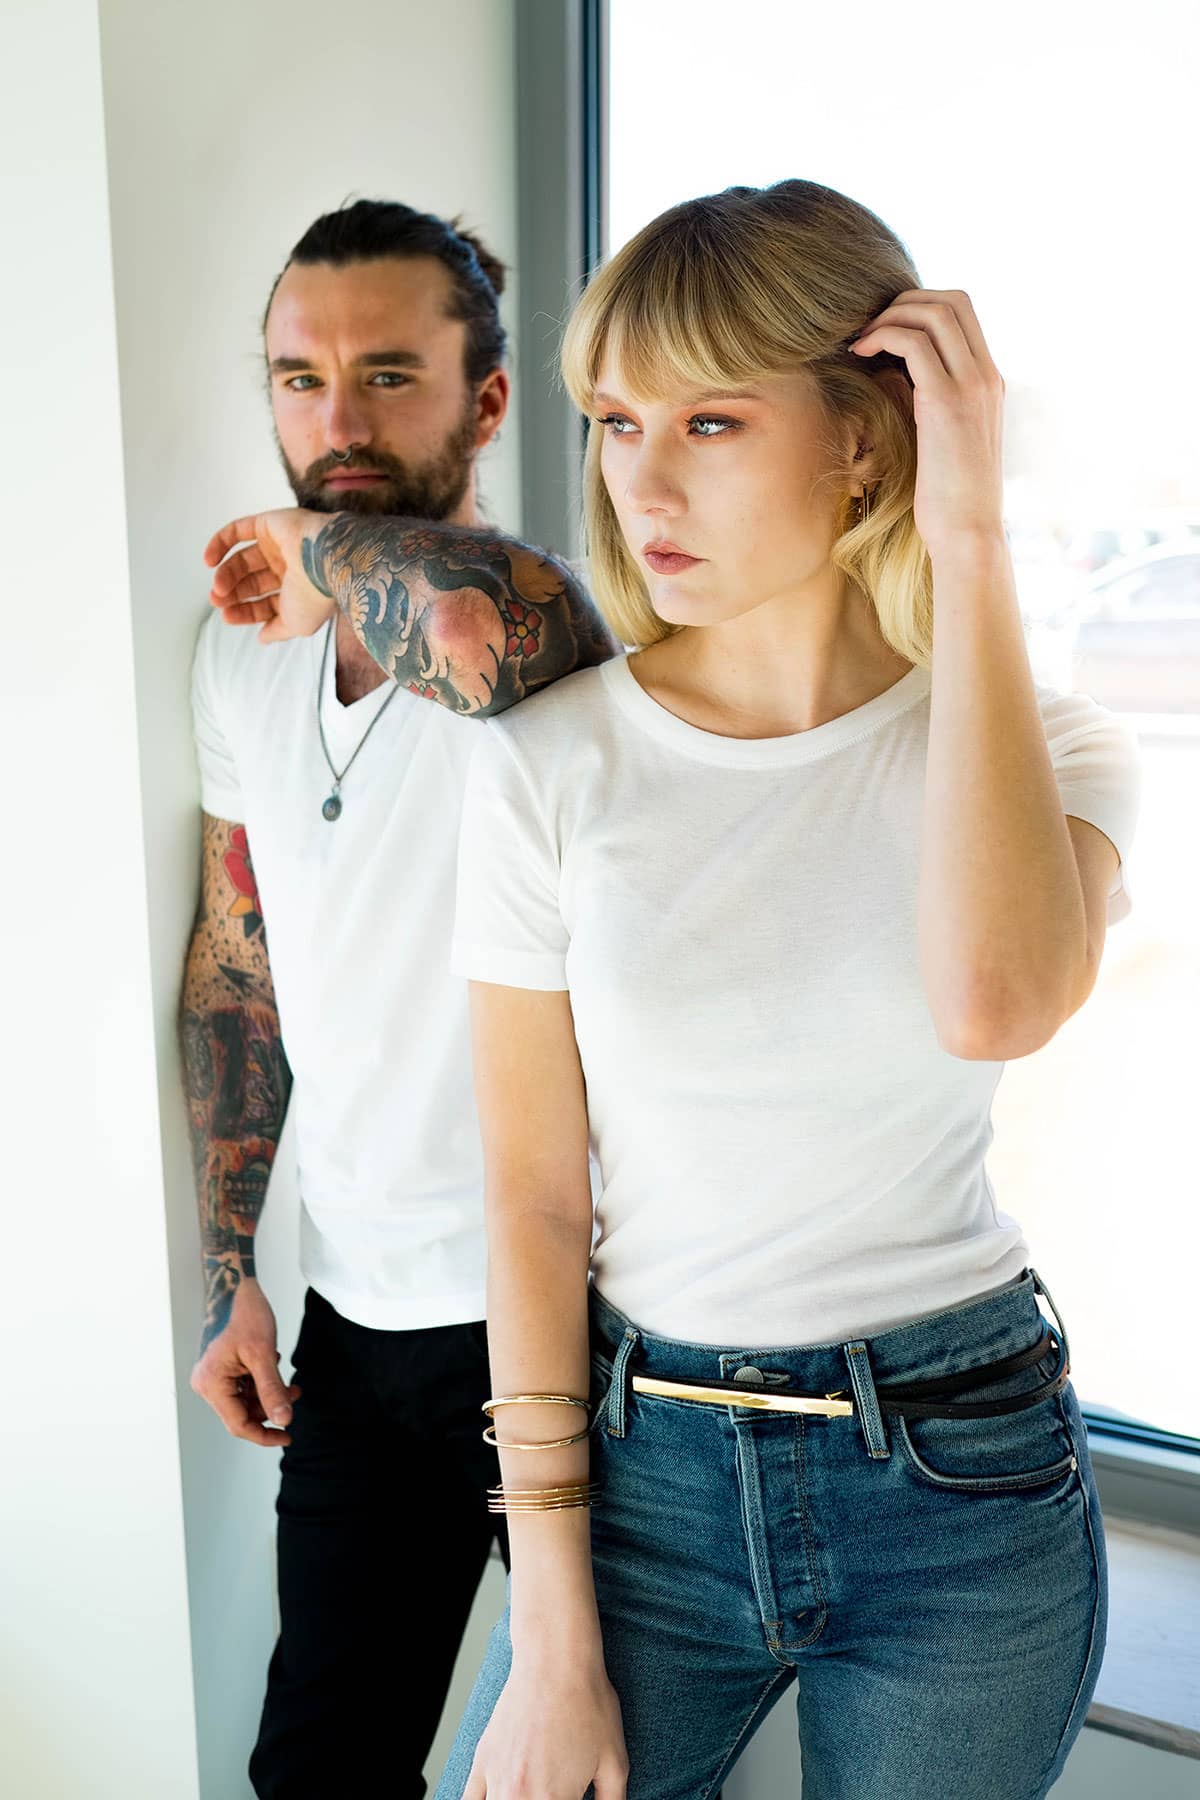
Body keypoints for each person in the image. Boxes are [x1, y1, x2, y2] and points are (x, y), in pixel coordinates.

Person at [205, 182, 1141, 1799]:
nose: (642, 481)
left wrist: (972, 537)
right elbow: (532, 1204)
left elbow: (996, 1005)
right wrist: (554, 1640)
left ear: (867, 442)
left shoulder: (1043, 745)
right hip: (650, 1468)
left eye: (710, 421)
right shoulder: (552, 759)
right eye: (619, 421)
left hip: (960, 1474)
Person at [181, 198, 616, 1800]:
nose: (337, 422)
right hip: (359, 1331)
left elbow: (480, 630)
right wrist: (230, 1269)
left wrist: (309, 548)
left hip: (584, 1320)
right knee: (317, 1771)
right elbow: (241, 966)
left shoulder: (563, 628)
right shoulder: (236, 658)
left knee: (600, 1770)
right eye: (299, 380)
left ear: (487, 402)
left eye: (386, 376)